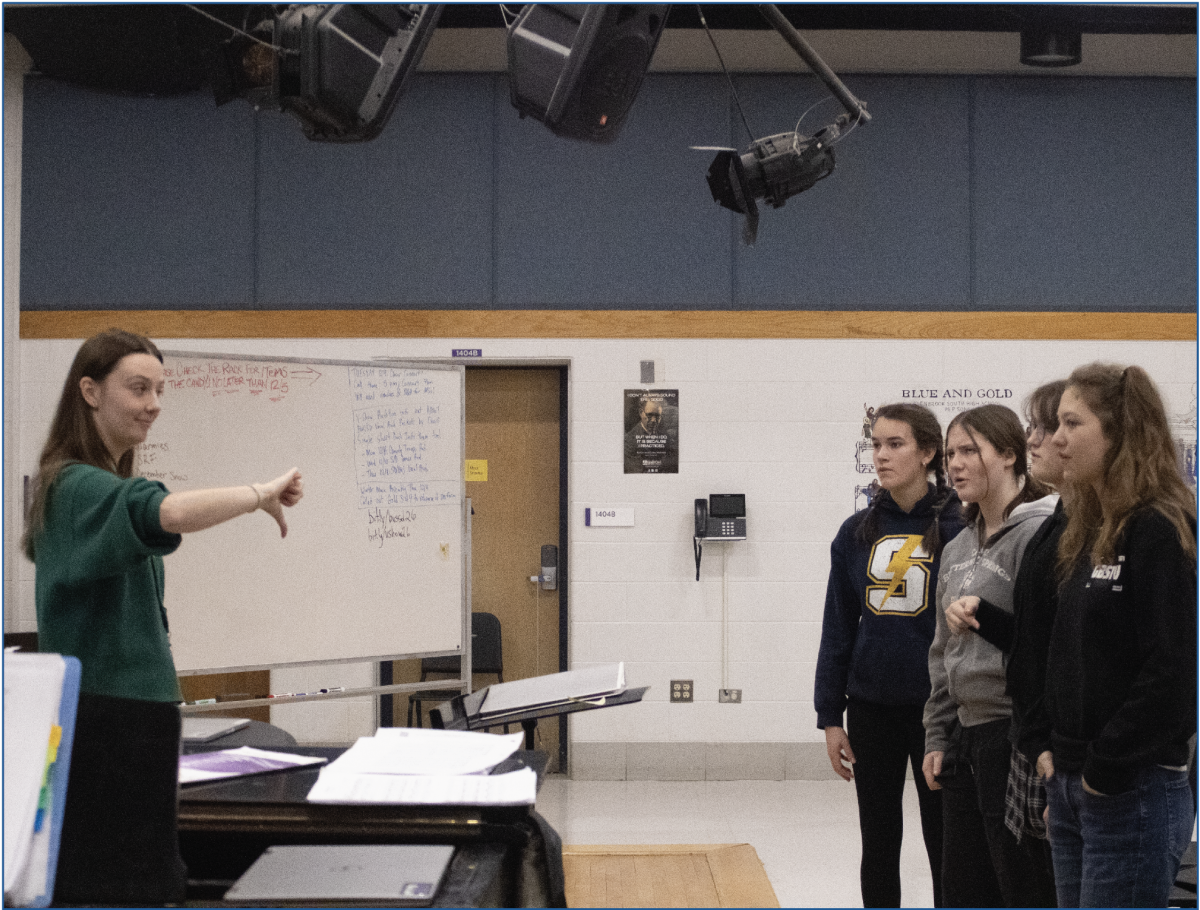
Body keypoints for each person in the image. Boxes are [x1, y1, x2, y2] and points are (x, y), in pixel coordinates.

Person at [22, 329, 304, 905]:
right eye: (138, 388)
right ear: (90, 392)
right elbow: (168, 513)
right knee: (123, 886)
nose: (153, 404)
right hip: (109, 725)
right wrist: (258, 494)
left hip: (129, 720)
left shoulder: (93, 485)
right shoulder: (76, 484)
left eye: (159, 390)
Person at [1042, 363, 1196, 908]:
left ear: (1120, 432)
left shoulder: (1158, 530)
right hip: (1075, 786)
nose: (1056, 439)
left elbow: (1173, 672)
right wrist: (1056, 757)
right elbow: (1069, 656)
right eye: (1057, 424)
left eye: (1072, 423)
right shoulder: (1088, 530)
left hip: (1132, 788)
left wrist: (1104, 770)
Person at [815, 403, 963, 907]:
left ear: (928, 452)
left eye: (895, 444)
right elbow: (838, 627)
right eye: (875, 444)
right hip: (872, 708)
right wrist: (830, 715)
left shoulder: (961, 527)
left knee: (945, 841)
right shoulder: (855, 531)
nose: (880, 455)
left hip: (939, 711)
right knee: (878, 841)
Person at [922, 404, 1057, 907]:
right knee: (962, 890)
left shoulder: (1038, 535)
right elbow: (943, 651)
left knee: (1019, 887)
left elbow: (1045, 646)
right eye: (950, 453)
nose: (955, 464)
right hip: (965, 735)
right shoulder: (956, 547)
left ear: (1008, 454)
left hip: (1013, 734)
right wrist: (937, 734)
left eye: (969, 451)